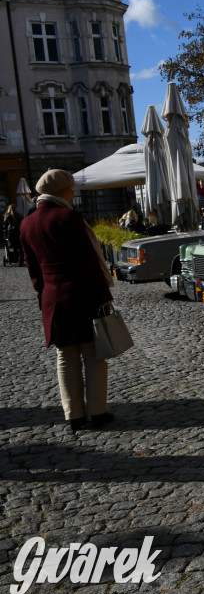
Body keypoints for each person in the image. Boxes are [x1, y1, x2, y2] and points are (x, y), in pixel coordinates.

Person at [19, 170, 115, 433]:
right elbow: (88, 262)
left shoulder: (27, 223)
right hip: (80, 294)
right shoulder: (68, 217)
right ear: (61, 191)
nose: (73, 194)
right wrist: (104, 296)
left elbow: (33, 271)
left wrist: (43, 297)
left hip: (51, 297)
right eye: (71, 189)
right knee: (93, 355)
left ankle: (73, 414)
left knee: (65, 356)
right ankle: (97, 412)